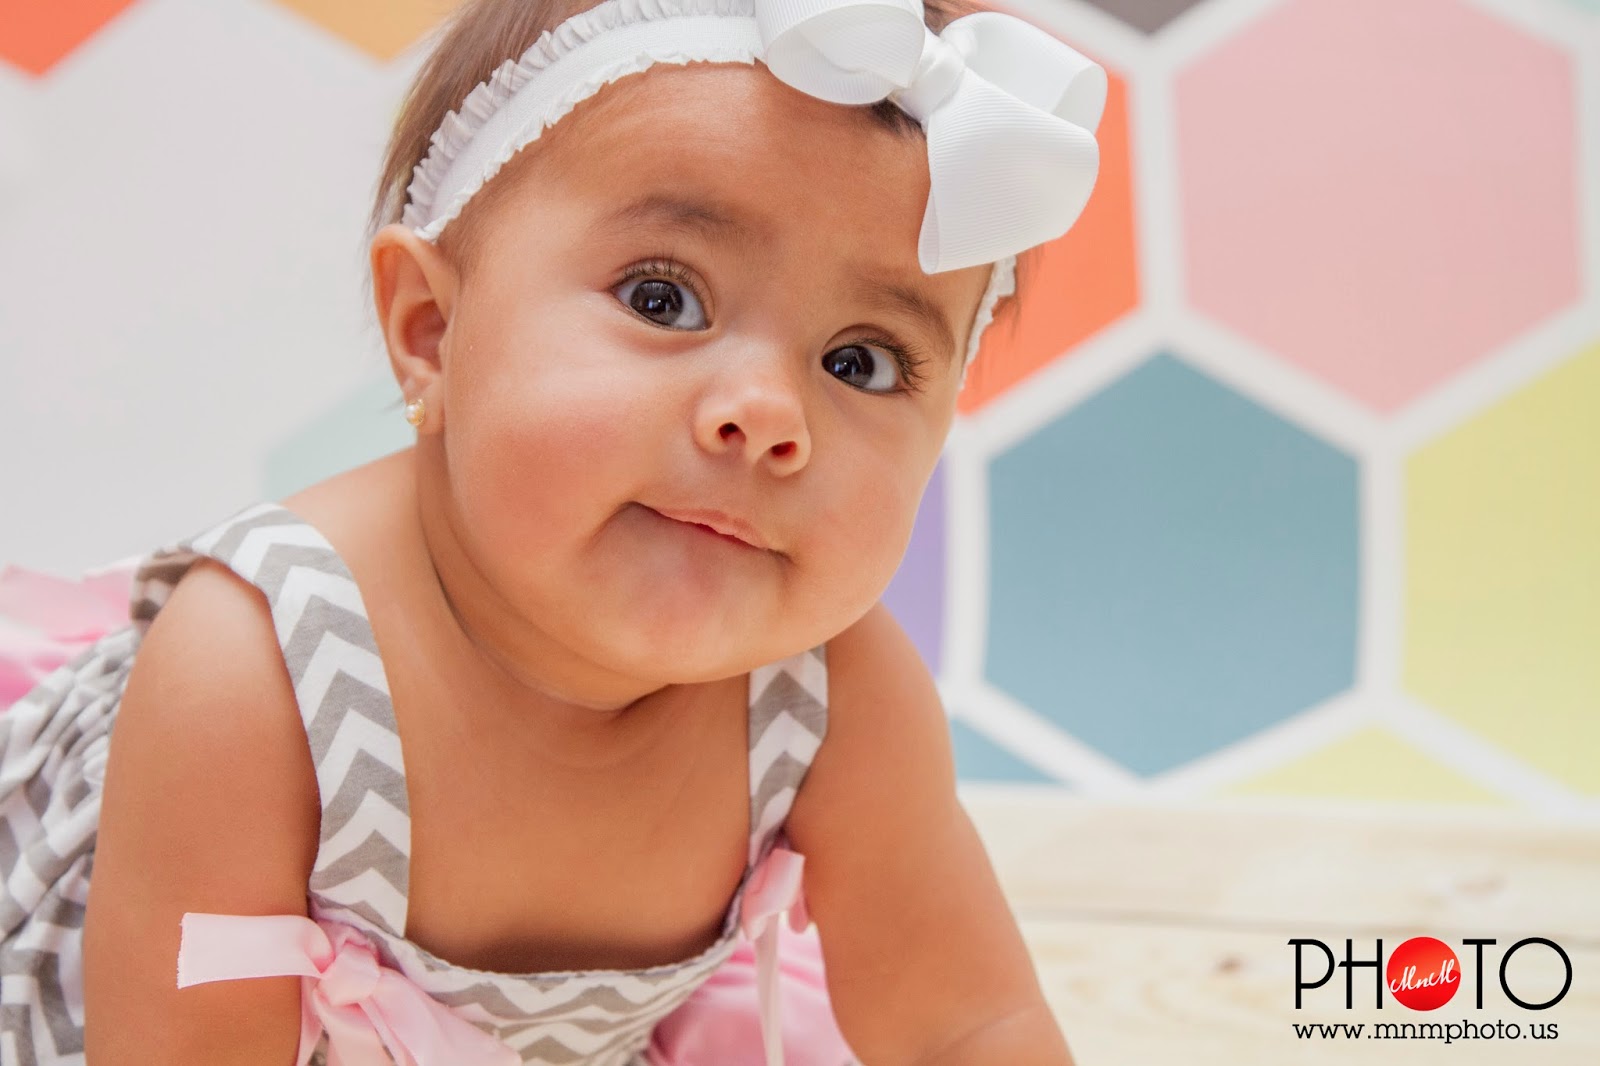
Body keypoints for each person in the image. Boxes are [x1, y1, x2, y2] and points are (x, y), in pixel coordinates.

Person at [0, 0, 1105, 1061]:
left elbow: (963, 1026)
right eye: (663, 299)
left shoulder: (830, 700)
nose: (768, 414)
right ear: (432, 330)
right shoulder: (259, 674)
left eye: (859, 362)